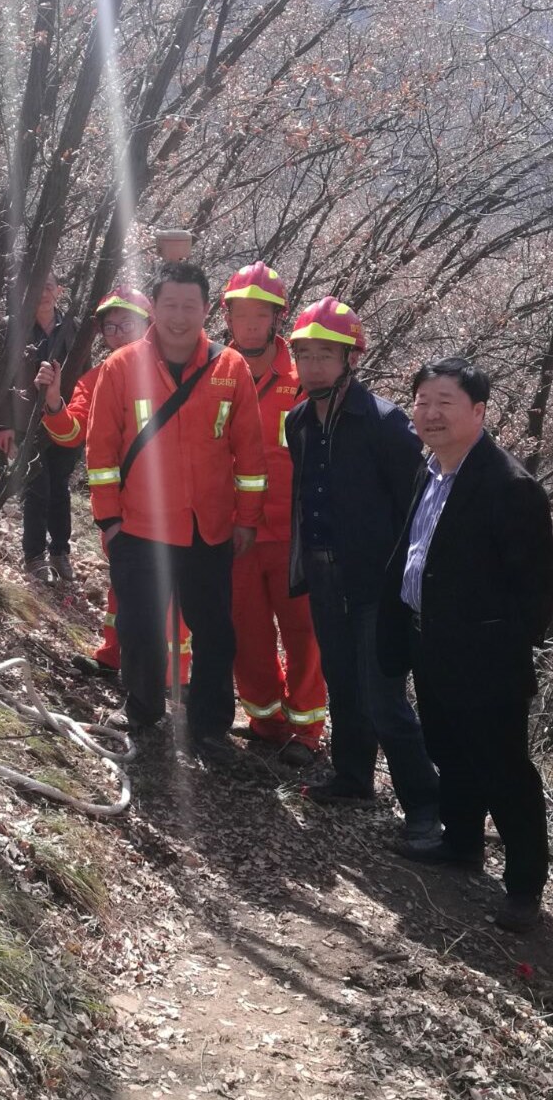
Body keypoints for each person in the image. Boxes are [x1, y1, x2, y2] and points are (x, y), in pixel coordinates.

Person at [378, 358, 553, 933]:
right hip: (429, 642)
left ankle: (524, 886)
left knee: (503, 770)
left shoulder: (510, 487)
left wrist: (494, 651)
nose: (430, 413)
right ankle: (460, 844)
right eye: (422, 401)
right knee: (447, 750)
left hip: (486, 662)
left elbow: (537, 596)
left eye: (445, 403)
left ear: (478, 411)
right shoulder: (429, 469)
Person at [86, 261, 266, 762]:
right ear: (155, 308)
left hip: (209, 528)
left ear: (206, 309)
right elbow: (100, 451)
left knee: (215, 634)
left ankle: (209, 727)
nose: (180, 317)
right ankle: (143, 709)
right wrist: (109, 520)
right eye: (170, 305)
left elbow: (250, 455)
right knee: (139, 627)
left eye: (190, 306)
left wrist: (246, 519)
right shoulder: (121, 366)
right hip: (139, 526)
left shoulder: (231, 368)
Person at [284, 299, 440, 850]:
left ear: (350, 358)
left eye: (325, 355)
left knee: (383, 697)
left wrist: (409, 581)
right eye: (304, 354)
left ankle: (425, 809)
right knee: (341, 681)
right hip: (324, 571)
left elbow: (417, 504)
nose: (313, 366)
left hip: (377, 581)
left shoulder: (385, 422)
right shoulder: (298, 421)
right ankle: (352, 778)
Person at [38, 288, 189, 680]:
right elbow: (70, 433)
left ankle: (174, 677)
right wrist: (53, 403)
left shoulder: (177, 372)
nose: (119, 334)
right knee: (123, 582)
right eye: (111, 327)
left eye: (128, 324)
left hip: (176, 505)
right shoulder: (96, 378)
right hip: (121, 507)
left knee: (171, 591)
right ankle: (113, 658)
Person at [221, 263, 327, 766]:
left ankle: (306, 729)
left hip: (293, 534)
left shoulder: (303, 378)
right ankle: (265, 719)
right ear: (227, 317)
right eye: (241, 314)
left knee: (304, 634)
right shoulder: (215, 371)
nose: (249, 324)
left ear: (277, 319)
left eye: (260, 315)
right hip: (234, 529)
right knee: (247, 631)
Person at [5, 274, 79, 581]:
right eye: (38, 286)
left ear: (59, 290)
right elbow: (0, 380)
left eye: (49, 286)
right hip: (26, 422)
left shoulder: (73, 328)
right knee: (36, 488)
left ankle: (60, 551)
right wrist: (2, 425)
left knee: (60, 487)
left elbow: (85, 374)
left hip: (64, 419)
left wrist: (82, 418)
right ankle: (34, 556)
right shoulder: (13, 327)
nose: (44, 293)